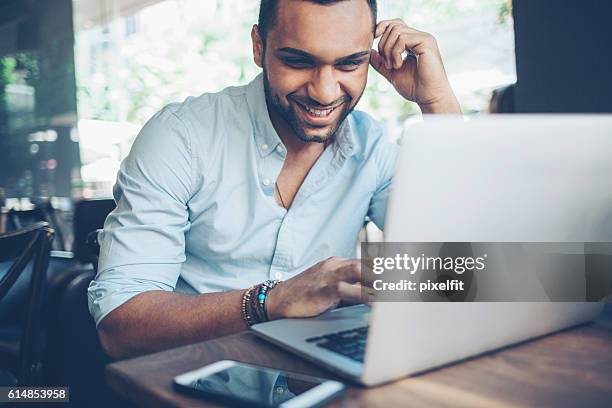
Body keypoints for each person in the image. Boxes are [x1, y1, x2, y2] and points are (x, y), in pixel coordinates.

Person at [88, 0, 461, 359]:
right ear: (258, 46)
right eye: (298, 61)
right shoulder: (181, 137)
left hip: (322, 382)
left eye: (350, 64)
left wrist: (437, 102)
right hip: (193, 383)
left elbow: (462, 272)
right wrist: (269, 301)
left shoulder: (372, 149)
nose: (324, 91)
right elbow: (119, 326)